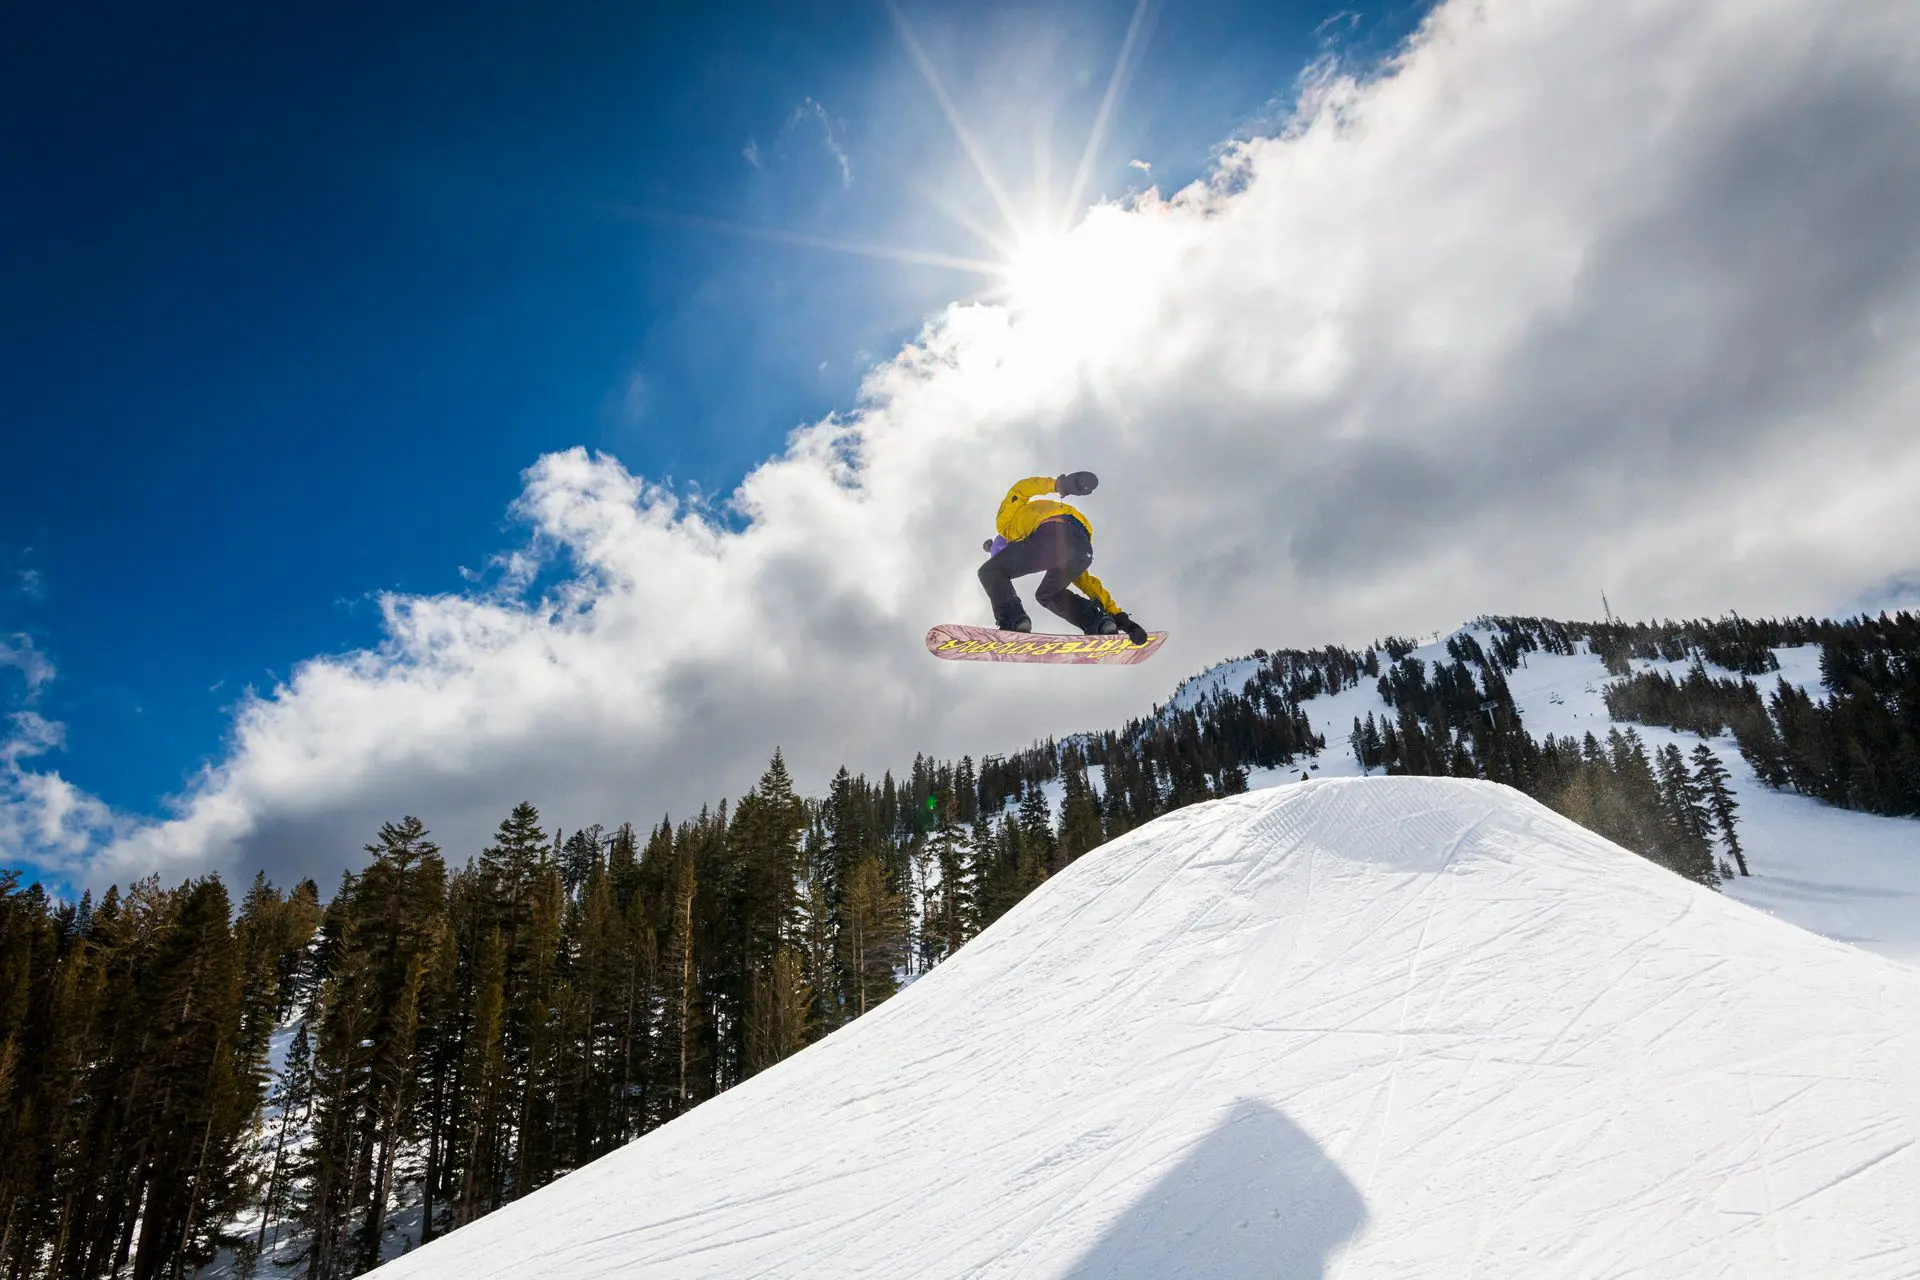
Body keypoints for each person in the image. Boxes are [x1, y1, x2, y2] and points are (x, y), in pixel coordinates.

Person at [977, 471, 1150, 643]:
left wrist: (1060, 485)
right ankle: (1099, 623)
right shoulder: (1039, 543)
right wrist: (1124, 622)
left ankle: (1014, 621)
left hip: (1053, 533)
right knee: (1048, 594)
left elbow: (1020, 489)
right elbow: (1088, 583)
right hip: (1082, 547)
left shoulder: (1005, 525)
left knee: (990, 571)